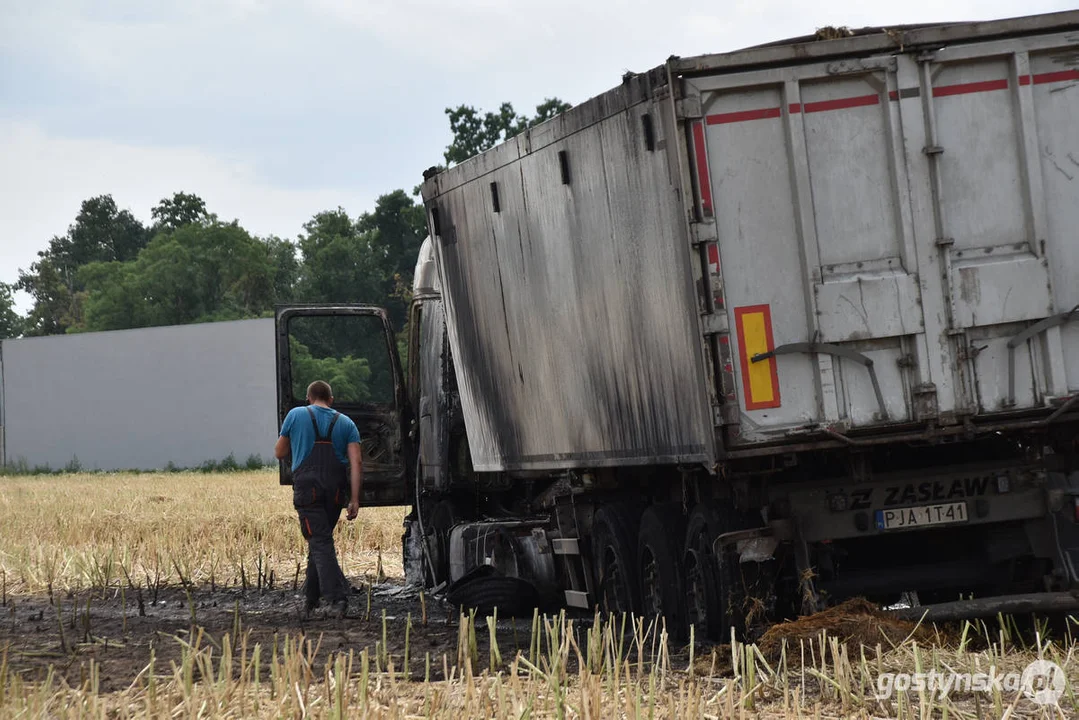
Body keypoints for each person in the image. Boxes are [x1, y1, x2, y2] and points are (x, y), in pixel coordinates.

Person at [274, 380, 362, 617]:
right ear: (331, 400)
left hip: (308, 489)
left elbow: (279, 452)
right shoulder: (346, 423)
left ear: (308, 398)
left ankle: (337, 599)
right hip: (335, 490)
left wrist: (299, 448)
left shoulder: (296, 415)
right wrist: (354, 499)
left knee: (320, 541)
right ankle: (310, 600)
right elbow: (356, 463)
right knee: (319, 540)